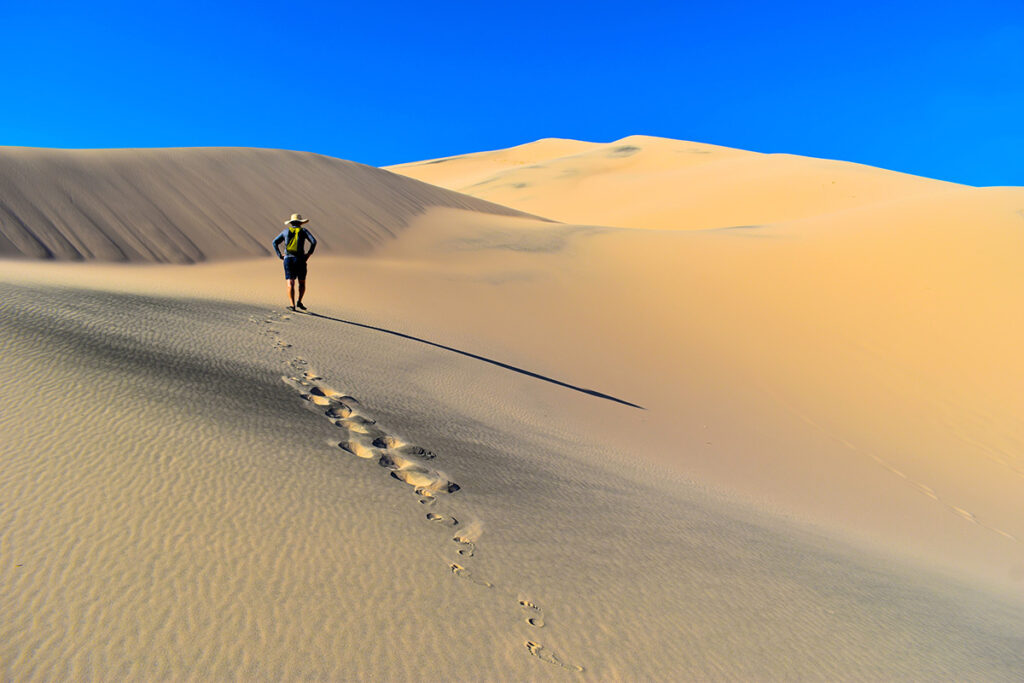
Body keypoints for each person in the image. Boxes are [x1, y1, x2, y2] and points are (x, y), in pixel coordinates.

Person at [272, 213, 317, 311]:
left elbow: (274, 242)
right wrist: (308, 254)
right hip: (301, 259)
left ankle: (292, 305)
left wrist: (280, 255)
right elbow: (314, 242)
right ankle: (299, 301)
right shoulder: (304, 231)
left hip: (288, 259)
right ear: (300, 223)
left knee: (290, 282)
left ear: (291, 222)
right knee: (302, 282)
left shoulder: (285, 231)